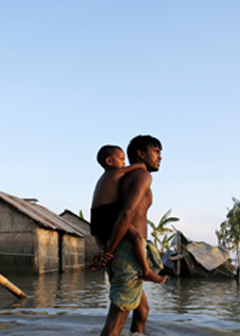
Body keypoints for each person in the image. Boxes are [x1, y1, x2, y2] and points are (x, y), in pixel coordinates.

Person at [100, 135, 165, 336]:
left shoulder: (123, 178)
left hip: (127, 250)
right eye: (156, 151)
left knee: (142, 310)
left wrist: (106, 247)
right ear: (141, 153)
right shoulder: (142, 176)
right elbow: (126, 213)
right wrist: (109, 250)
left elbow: (105, 214)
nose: (160, 157)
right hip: (128, 252)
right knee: (116, 320)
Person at [90, 145, 166, 284]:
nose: (124, 163)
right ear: (109, 161)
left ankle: (103, 253)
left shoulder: (106, 178)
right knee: (137, 237)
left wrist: (105, 249)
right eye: (121, 159)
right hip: (106, 212)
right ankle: (147, 271)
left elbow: (98, 227)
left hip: (96, 214)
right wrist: (140, 166)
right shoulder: (116, 174)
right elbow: (127, 213)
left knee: (142, 307)